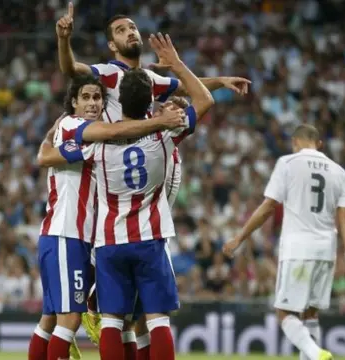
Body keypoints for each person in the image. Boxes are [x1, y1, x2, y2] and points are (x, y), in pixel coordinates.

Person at [56, 5, 250, 357]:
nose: (131, 32)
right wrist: (64, 40)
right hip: (147, 175)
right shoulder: (110, 75)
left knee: (124, 316)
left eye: (133, 27)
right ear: (112, 45)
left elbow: (181, 84)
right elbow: (73, 70)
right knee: (152, 313)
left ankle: (104, 298)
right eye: (121, 30)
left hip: (116, 186)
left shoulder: (145, 82)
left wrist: (220, 80)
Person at [28, 74, 185, 360]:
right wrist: (161, 121)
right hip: (67, 233)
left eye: (97, 97)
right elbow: (47, 157)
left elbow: (48, 153)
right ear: (73, 102)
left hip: (85, 237)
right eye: (85, 97)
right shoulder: (77, 126)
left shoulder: (89, 136)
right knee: (69, 320)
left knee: (53, 317)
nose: (92, 103)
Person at [222, 124, 345, 360]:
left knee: (284, 312)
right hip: (325, 251)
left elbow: (268, 208)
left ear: (295, 142)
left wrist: (240, 237)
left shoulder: (287, 164)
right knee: (310, 314)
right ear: (319, 144)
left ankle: (315, 353)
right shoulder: (339, 172)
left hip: (297, 249)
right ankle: (313, 353)